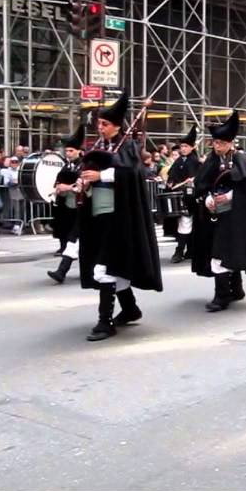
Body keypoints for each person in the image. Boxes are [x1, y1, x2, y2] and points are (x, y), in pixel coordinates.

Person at [77, 92, 163, 342]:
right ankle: (130, 308)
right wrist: (83, 183)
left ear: (116, 125)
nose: (100, 127)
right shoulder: (100, 147)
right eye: (99, 124)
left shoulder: (129, 146)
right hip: (100, 215)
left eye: (104, 124)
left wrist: (100, 176)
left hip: (121, 216)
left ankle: (105, 322)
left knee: (105, 268)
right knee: (113, 265)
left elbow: (131, 175)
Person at [191, 110, 246, 312]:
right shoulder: (211, 160)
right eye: (215, 143)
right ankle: (236, 288)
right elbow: (202, 182)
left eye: (220, 143)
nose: (216, 146)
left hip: (235, 216)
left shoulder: (239, 159)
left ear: (229, 143)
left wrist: (230, 196)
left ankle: (222, 296)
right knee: (219, 250)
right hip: (215, 214)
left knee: (222, 252)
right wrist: (208, 198)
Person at [47, 123, 85, 283]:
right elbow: (57, 183)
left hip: (82, 208)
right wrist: (58, 188)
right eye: (67, 150)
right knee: (71, 239)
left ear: (79, 151)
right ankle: (70, 271)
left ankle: (63, 271)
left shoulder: (84, 165)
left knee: (75, 240)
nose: (68, 153)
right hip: (67, 207)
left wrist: (67, 187)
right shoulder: (65, 167)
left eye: (71, 151)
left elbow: (80, 186)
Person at [164, 125, 201, 263]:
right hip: (177, 196)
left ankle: (179, 251)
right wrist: (170, 182)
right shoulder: (179, 160)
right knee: (183, 223)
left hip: (189, 198)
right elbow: (172, 175)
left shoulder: (195, 161)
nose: (183, 149)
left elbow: (198, 178)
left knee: (186, 222)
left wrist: (192, 181)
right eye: (182, 146)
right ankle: (189, 250)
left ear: (192, 147)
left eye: (186, 146)